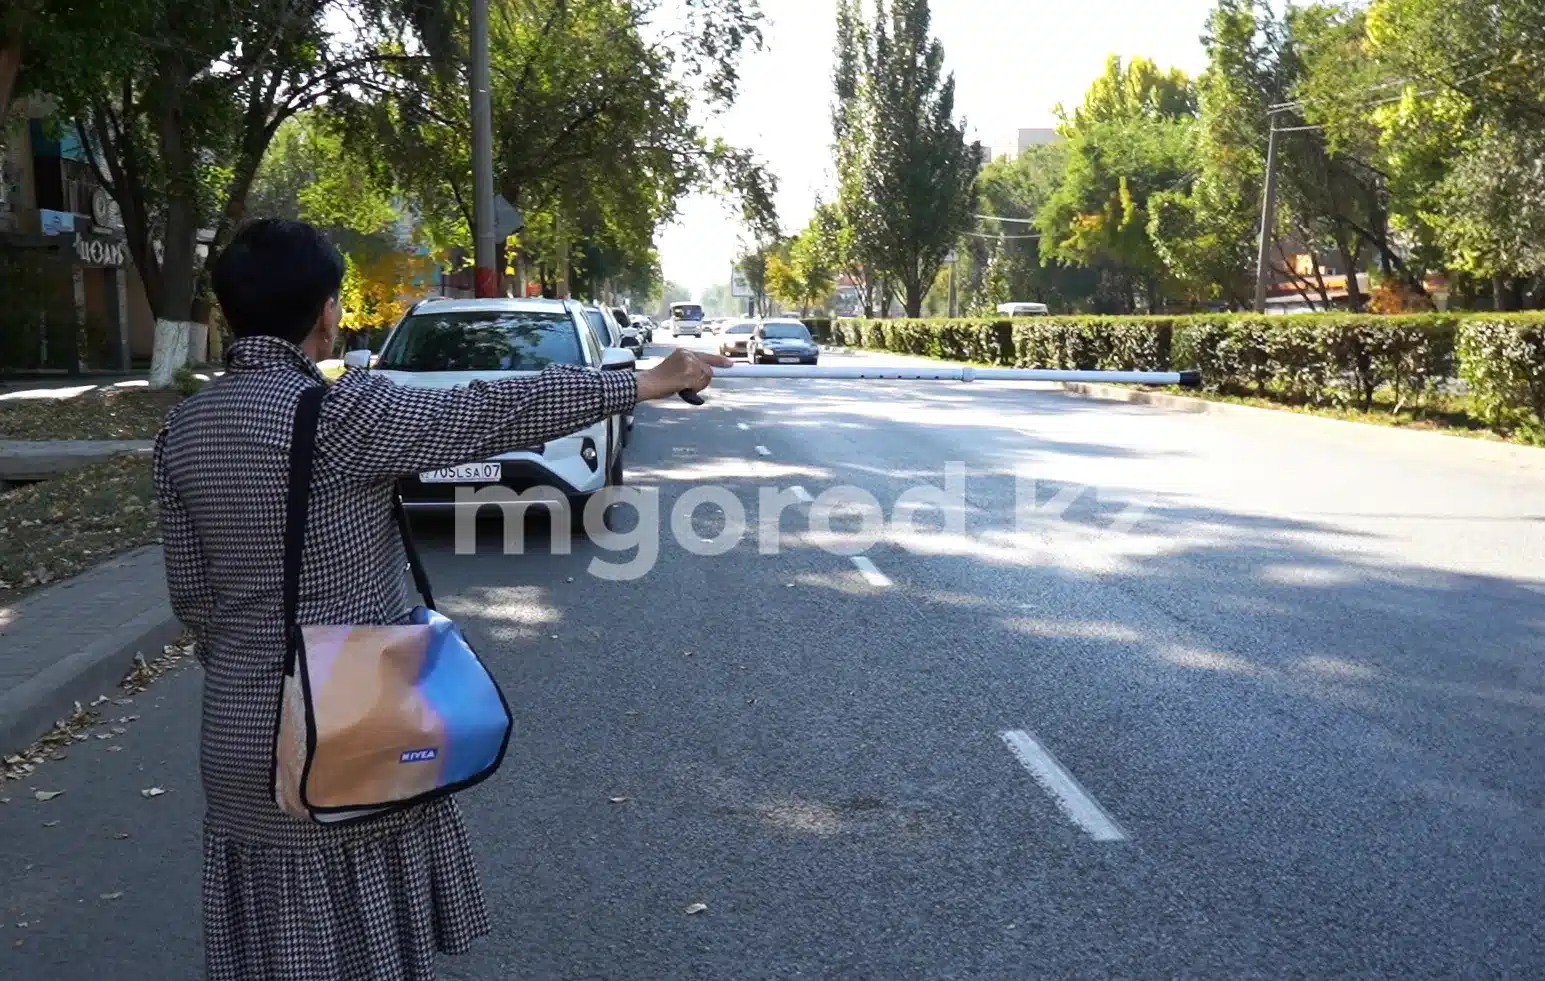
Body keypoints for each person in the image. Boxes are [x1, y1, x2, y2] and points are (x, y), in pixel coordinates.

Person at [153, 217, 730, 981]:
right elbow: (493, 409)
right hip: (351, 717)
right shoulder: (340, 414)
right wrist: (642, 381)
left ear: (228, 312)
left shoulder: (184, 428)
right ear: (327, 311)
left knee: (277, 934)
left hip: (235, 729)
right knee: (359, 936)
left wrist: (255, 672)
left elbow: (192, 597)